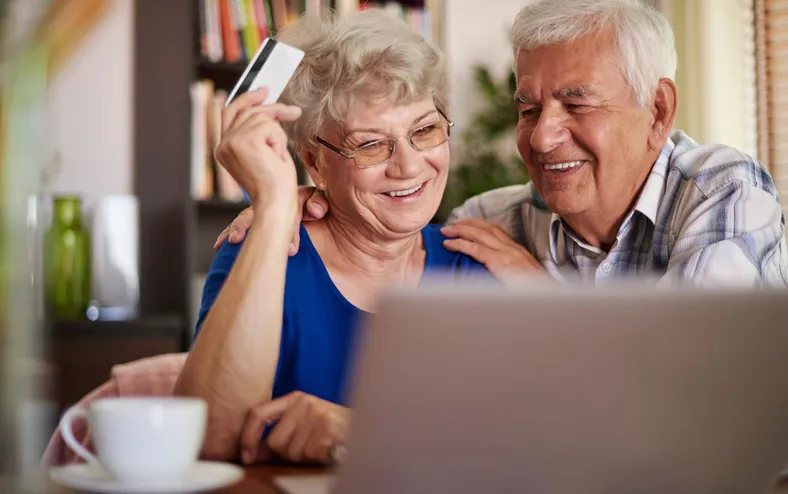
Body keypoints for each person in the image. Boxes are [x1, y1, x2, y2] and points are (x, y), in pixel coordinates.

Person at [217, 0, 788, 287]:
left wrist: (538, 297)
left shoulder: (722, 192)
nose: (541, 136)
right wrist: (293, 204)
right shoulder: (491, 225)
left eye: (577, 103)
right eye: (528, 108)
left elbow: (687, 391)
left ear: (657, 110)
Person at [174, 9, 491, 466]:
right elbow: (208, 441)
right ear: (315, 162)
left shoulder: (473, 263)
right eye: (370, 144)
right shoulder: (264, 254)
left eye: (424, 130)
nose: (408, 165)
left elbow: (512, 444)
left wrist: (361, 432)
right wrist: (274, 205)